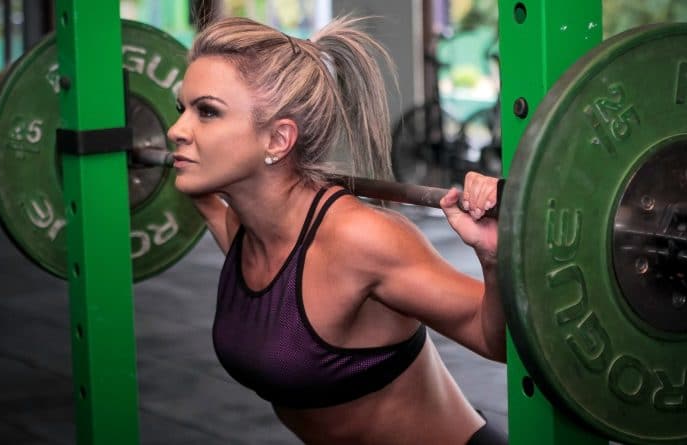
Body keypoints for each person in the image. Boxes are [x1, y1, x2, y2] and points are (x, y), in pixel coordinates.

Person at [168, 15, 507, 445]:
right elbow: (199, 194)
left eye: (207, 112)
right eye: (182, 109)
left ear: (278, 140)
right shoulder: (245, 227)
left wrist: (493, 260)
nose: (175, 130)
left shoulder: (359, 239)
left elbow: (493, 340)